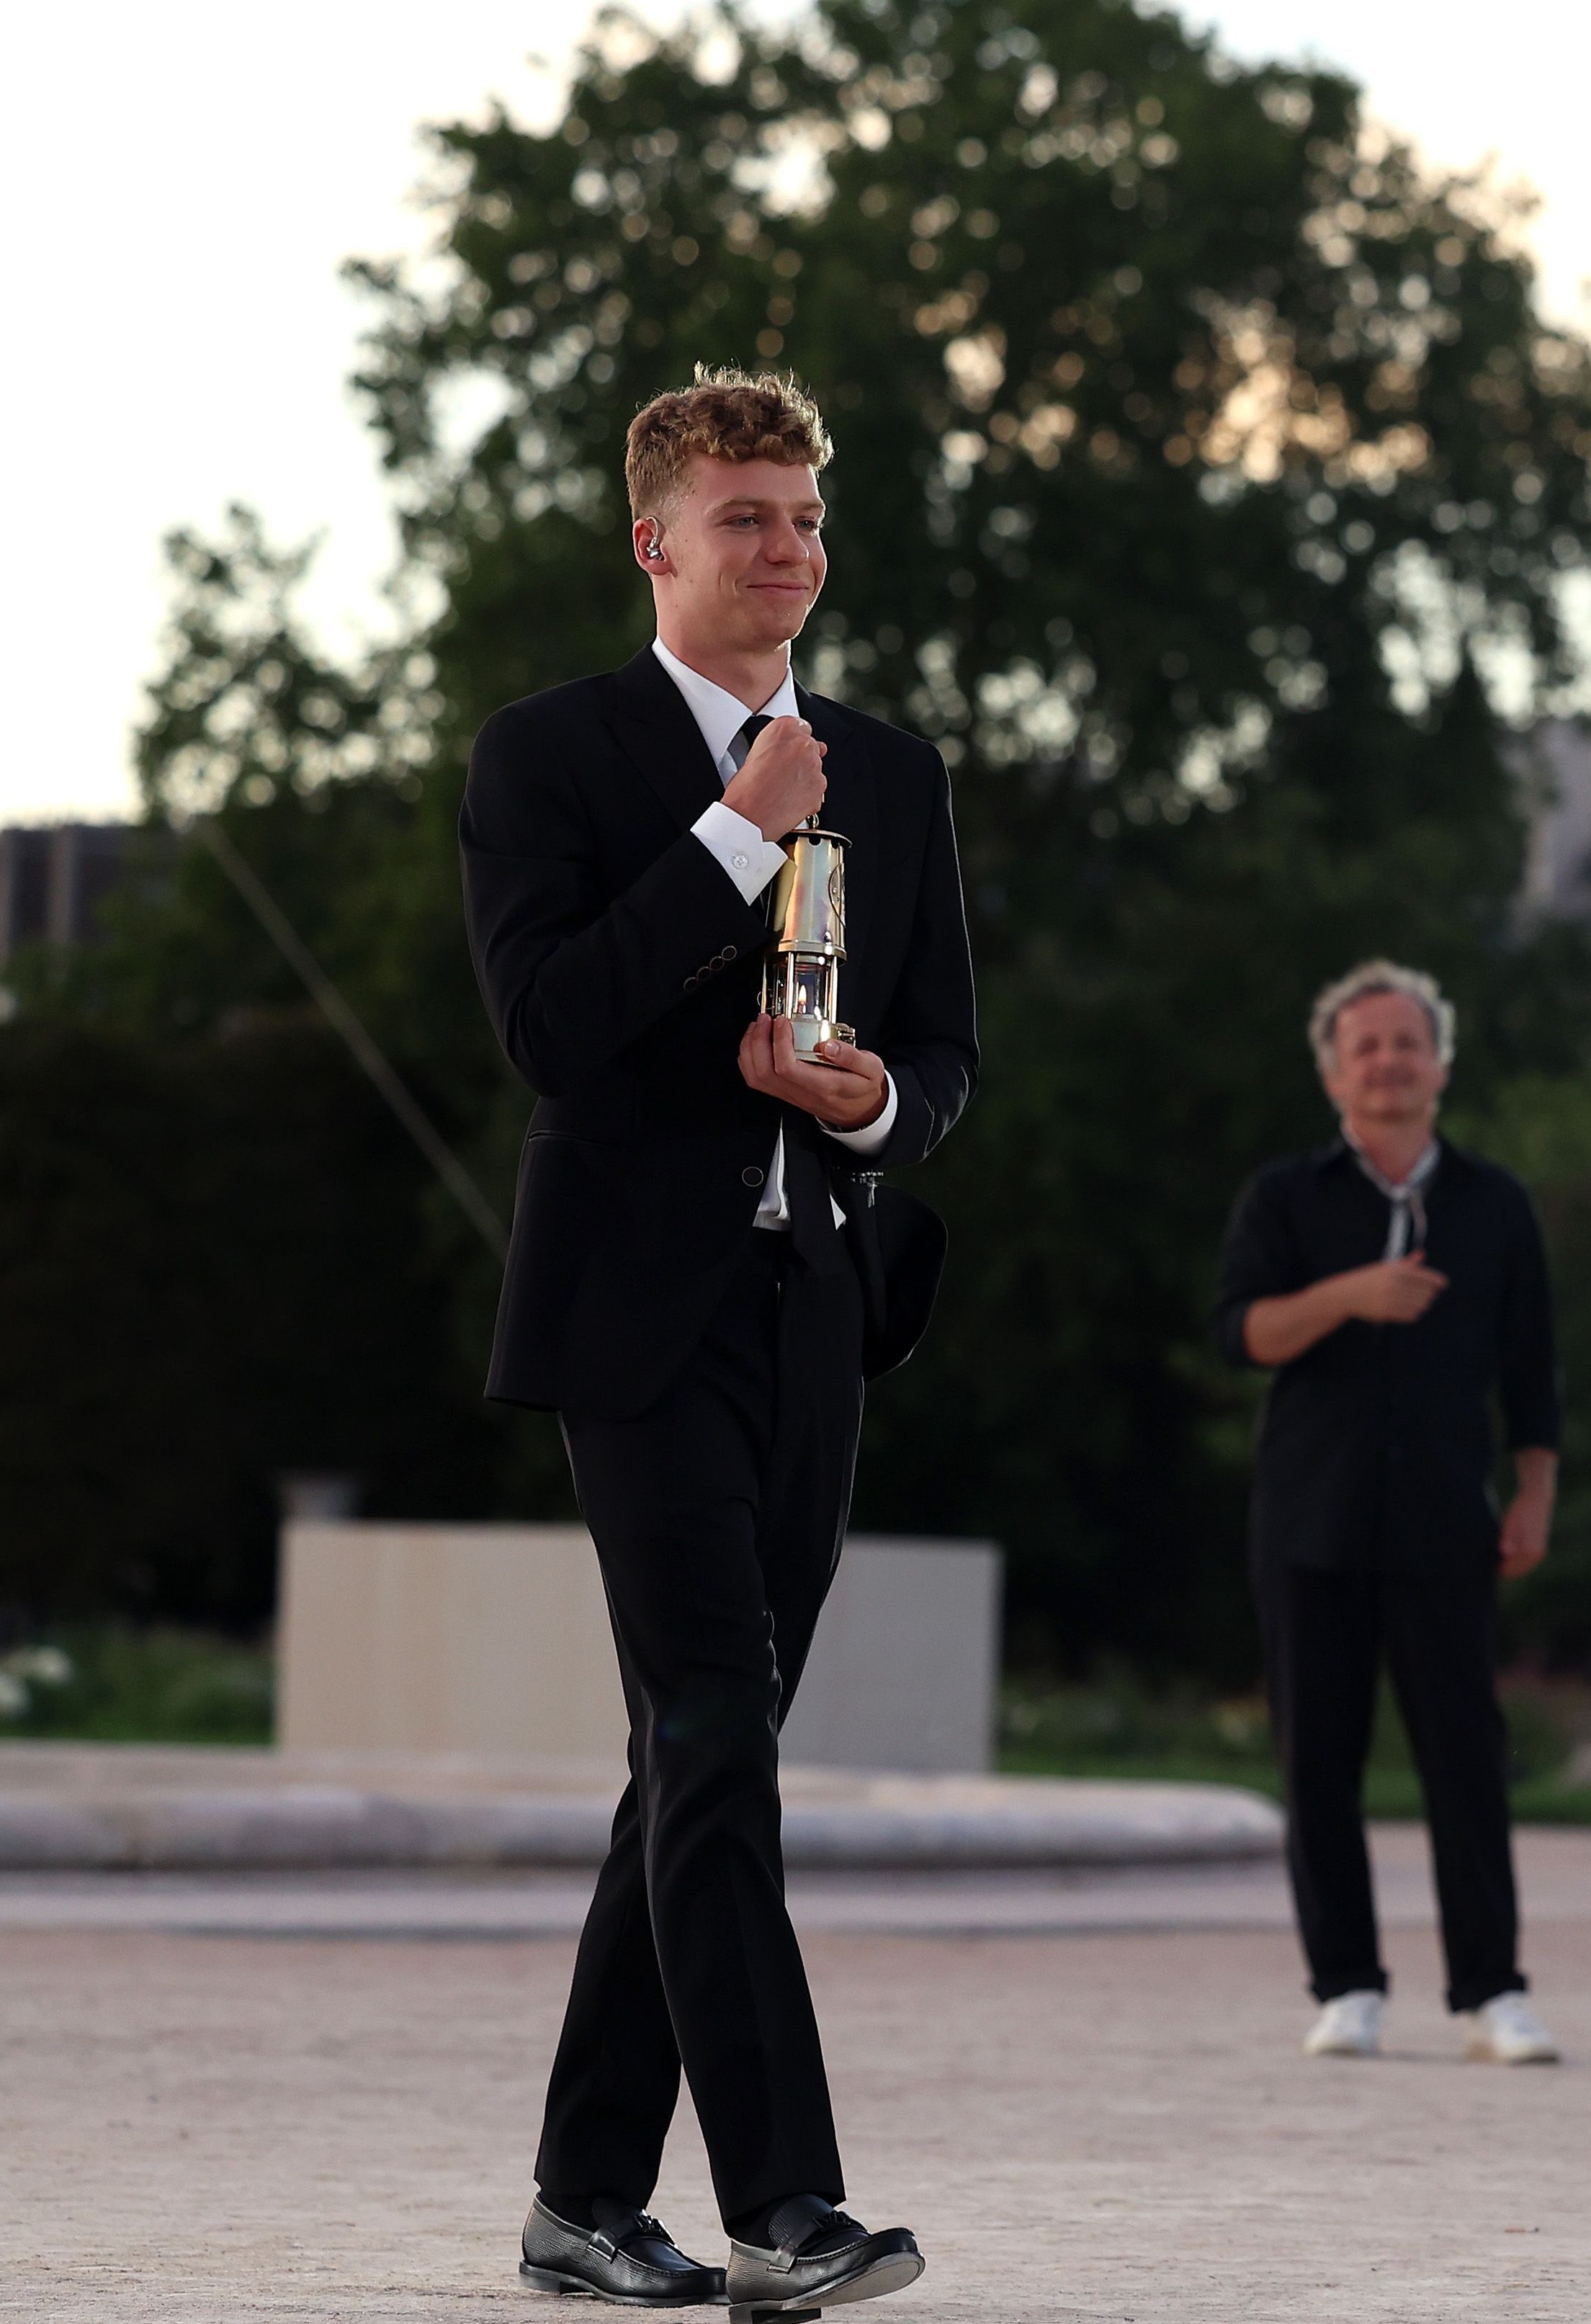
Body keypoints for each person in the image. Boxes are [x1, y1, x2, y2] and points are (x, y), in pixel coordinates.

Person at [463, 369, 971, 2318]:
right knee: (715, 1733)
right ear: (657, 542)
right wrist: (734, 839)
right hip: (634, 1325)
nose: (790, 552)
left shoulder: (899, 776)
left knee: (691, 1762)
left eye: (806, 519)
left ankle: (584, 2201)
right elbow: (548, 1031)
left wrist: (856, 1107)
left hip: (819, 1315)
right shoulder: (552, 760)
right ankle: (787, 2206)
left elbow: (946, 1061)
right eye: (747, 518)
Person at [1211, 961, 1564, 2068]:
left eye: (1406, 1043)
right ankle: (1348, 1984)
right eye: (1365, 1046)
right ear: (1334, 1073)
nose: (1387, 1062)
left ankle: (1491, 1990)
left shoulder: (1493, 1204)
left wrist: (1536, 1491)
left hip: (1446, 1521)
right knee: (1319, 1760)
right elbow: (1242, 1335)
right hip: (1309, 1522)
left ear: (1441, 1065)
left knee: (1465, 1757)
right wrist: (1348, 1296)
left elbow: (1535, 1366)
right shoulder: (1288, 1198)